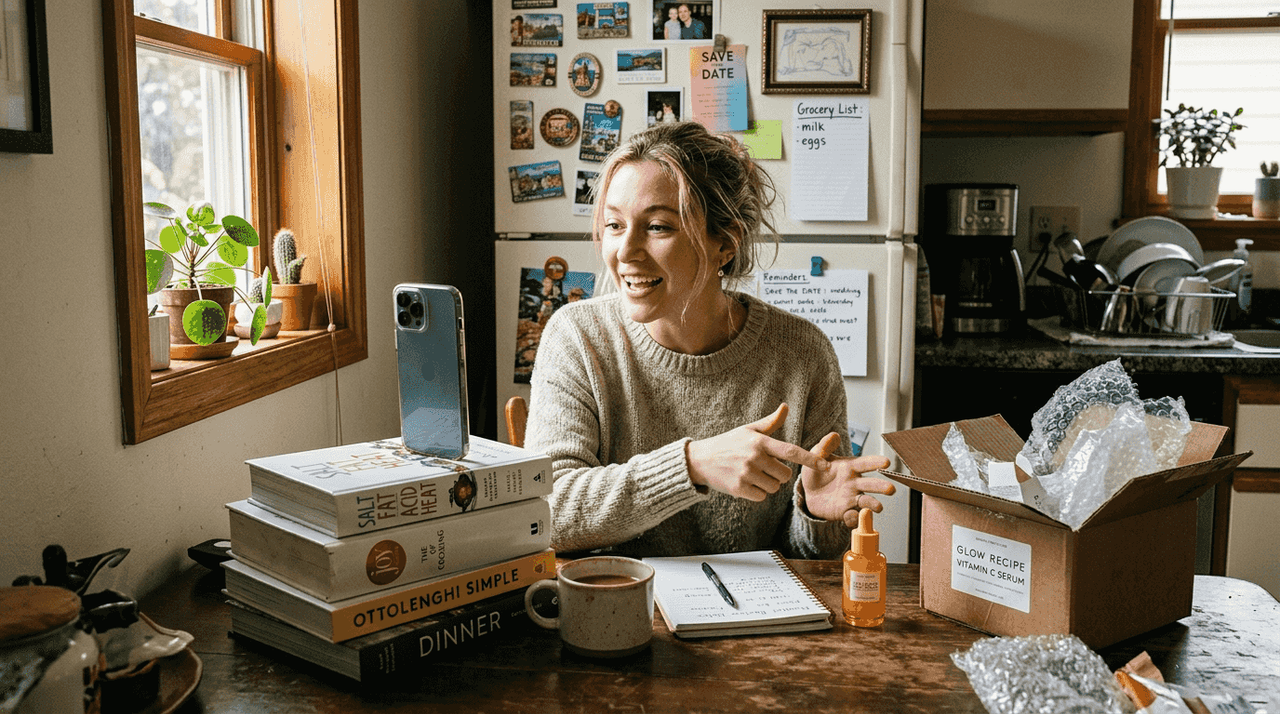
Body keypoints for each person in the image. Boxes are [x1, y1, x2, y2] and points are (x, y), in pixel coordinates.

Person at [525, 121, 896, 559]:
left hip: (755, 618)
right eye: (614, 224)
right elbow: (546, 514)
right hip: (613, 610)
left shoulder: (803, 353)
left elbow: (805, 557)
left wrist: (816, 515)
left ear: (725, 244)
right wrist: (692, 465)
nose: (624, 251)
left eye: (658, 227)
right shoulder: (577, 337)